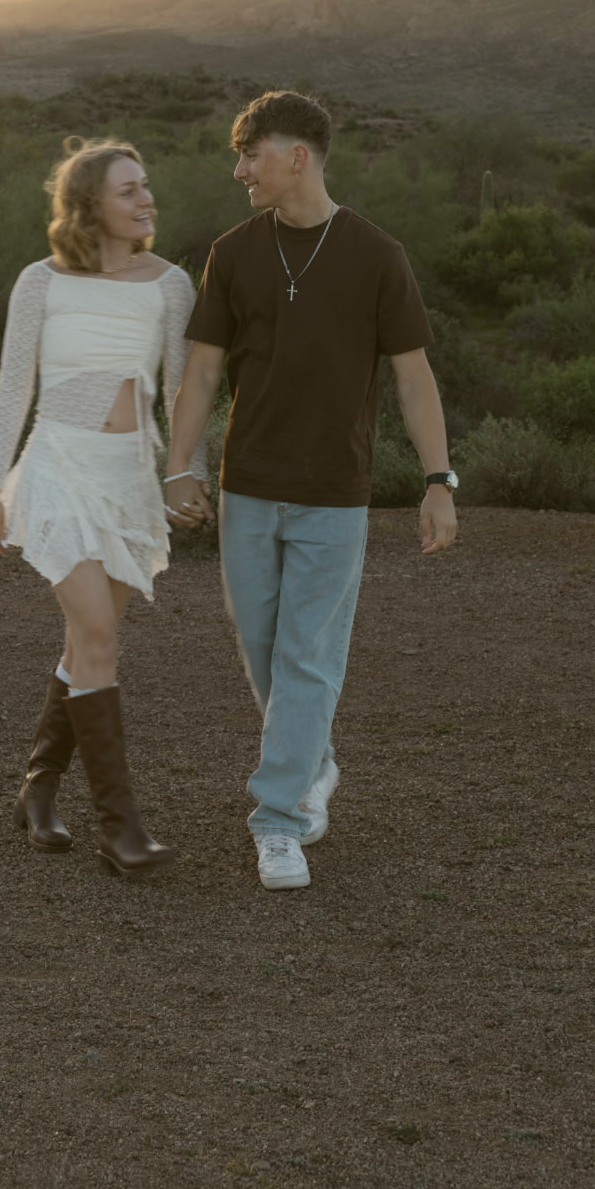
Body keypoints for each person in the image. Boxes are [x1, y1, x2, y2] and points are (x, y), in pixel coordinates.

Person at [165, 90, 457, 890]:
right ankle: (312, 765)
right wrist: (177, 464)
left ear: (296, 157)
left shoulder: (375, 254)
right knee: (265, 651)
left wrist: (438, 481)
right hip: (247, 487)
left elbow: (414, 380)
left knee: (307, 658)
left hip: (335, 493)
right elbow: (201, 370)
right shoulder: (232, 252)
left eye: (250, 156)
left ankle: (280, 821)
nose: (238, 171)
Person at [0, 138, 208, 879]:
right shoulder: (39, 282)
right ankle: (121, 828)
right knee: (99, 632)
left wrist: (183, 475)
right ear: (88, 205)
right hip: (58, 469)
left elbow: (184, 393)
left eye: (146, 188)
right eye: (128, 191)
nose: (145, 201)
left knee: (88, 642)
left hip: (127, 481)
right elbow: (15, 388)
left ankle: (38, 788)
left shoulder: (171, 285)